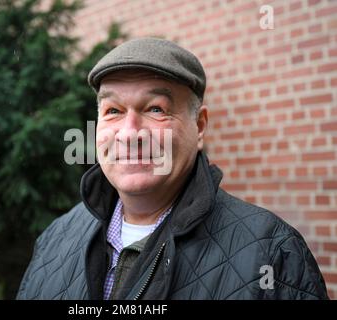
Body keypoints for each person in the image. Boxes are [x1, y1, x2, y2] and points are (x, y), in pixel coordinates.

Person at [17, 38, 329, 300]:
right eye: (113, 111)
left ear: (200, 126)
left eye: (155, 109)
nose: (129, 133)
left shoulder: (273, 253)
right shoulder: (55, 240)